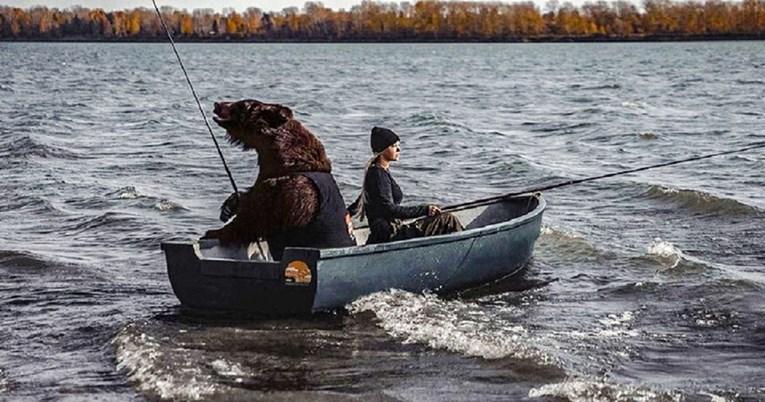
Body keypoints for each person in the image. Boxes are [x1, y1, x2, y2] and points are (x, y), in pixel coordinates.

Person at [347, 127, 463, 245]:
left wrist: (346, 214)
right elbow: (389, 210)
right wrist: (425, 210)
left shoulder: (377, 172)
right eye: (393, 146)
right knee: (447, 219)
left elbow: (360, 202)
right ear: (382, 150)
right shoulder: (378, 175)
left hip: (389, 231)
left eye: (398, 145)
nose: (398, 149)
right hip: (391, 234)